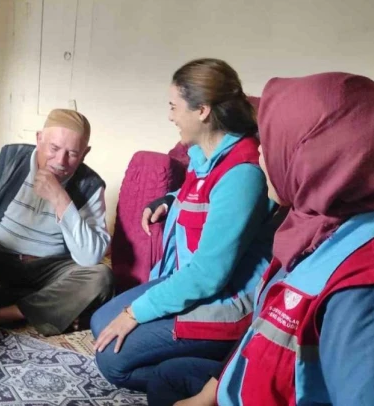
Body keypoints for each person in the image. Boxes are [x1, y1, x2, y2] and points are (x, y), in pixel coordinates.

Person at [165, 73, 374, 406]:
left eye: (274, 141)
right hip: (261, 379)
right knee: (167, 378)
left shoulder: (363, 298)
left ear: (317, 160)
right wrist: (208, 395)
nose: (259, 151)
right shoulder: (316, 226)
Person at [90, 58, 278, 394]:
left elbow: (208, 275)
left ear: (202, 111)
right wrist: (169, 199)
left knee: (112, 361)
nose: (170, 116)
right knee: (100, 322)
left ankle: (225, 378)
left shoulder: (242, 174)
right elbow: (204, 193)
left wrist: (134, 314)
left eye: (174, 106)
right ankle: (186, 363)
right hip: (194, 283)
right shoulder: (206, 154)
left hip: (226, 299)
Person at [0, 109, 113, 336]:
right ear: (39, 138)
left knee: (100, 279)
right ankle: (51, 309)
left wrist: (60, 198)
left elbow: (89, 257)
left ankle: (1, 314)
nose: (61, 161)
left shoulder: (91, 185)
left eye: (73, 153)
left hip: (50, 270)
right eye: (54, 148)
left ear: (85, 153)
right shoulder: (10, 158)